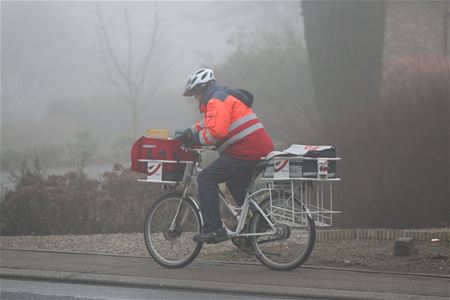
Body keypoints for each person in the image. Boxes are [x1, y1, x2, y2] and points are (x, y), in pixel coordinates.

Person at [179, 68, 274, 244]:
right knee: (234, 183)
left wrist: (194, 139)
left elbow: (216, 132)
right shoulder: (221, 97)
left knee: (206, 179)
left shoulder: (216, 100)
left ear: (201, 89)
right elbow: (209, 123)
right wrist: (188, 133)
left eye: (194, 93)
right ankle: (257, 225)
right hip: (257, 148)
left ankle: (214, 229)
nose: (194, 97)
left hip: (246, 150)